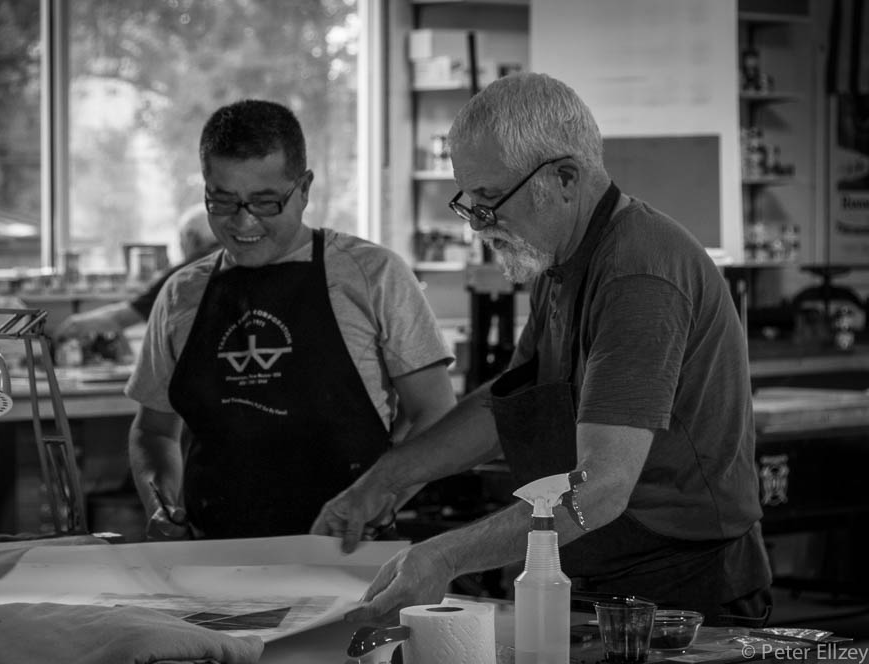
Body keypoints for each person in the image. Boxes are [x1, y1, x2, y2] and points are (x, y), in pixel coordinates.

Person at [312, 72, 772, 625]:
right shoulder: (559, 260)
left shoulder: (637, 275)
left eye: (490, 200)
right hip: (600, 571)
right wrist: (385, 480)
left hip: (683, 594)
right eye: (469, 202)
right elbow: (507, 407)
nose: (478, 224)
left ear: (565, 179)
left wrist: (446, 555)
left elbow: (600, 488)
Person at [125, 99, 456, 541]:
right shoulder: (180, 294)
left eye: (265, 203)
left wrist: (378, 502)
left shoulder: (373, 276)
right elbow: (154, 431)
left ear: (304, 189)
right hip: (213, 559)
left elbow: (435, 412)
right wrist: (160, 503)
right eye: (222, 201)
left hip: (348, 556)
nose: (244, 222)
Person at [54, 205, 221, 340]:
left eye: (181, 240)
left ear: (191, 237)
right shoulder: (229, 260)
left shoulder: (186, 274)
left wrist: (75, 324)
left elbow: (123, 317)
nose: (180, 247)